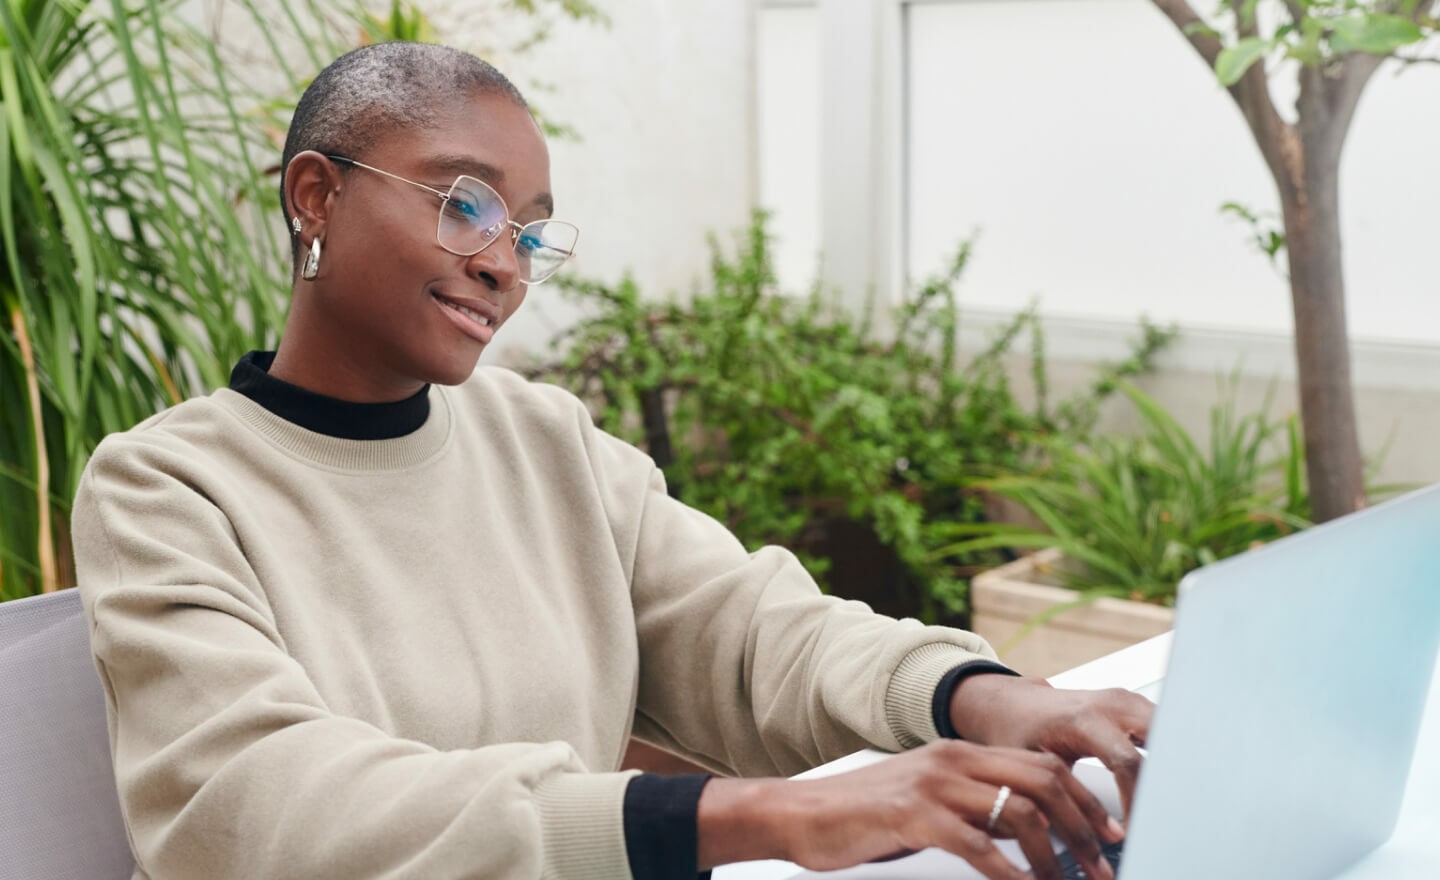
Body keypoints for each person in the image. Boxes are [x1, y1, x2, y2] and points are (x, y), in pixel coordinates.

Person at [71, 42, 1153, 880]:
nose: (503, 264)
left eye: (529, 232)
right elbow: (265, 801)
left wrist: (980, 696)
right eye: (464, 206)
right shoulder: (165, 487)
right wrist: (756, 815)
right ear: (317, 195)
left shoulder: (543, 439)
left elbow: (752, 635)